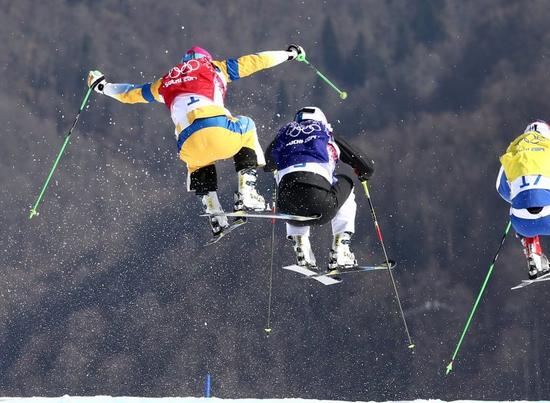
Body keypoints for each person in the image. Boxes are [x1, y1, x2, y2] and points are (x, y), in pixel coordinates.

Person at [85, 44, 307, 237]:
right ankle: (246, 192)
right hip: (218, 132)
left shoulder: (166, 82)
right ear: (205, 60)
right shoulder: (214, 68)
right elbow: (257, 61)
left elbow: (130, 93)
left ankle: (213, 212)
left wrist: (102, 86)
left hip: (188, 145)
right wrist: (289, 54)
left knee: (199, 161)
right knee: (247, 125)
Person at [264, 106, 374, 271]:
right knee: (346, 183)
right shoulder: (326, 133)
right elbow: (366, 166)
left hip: (286, 208)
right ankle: (341, 249)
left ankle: (300, 244)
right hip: (321, 205)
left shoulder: (285, 133)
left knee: (291, 186)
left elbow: (267, 164)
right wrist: (362, 173)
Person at [496, 120, 550, 279]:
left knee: (518, 202)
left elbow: (501, 188)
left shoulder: (513, 152)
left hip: (522, 224)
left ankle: (533, 254)